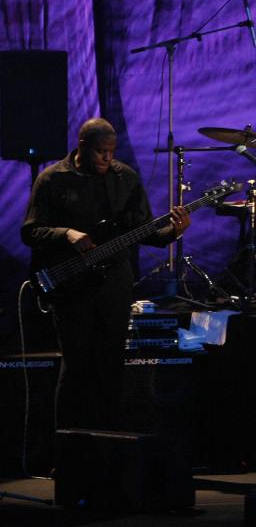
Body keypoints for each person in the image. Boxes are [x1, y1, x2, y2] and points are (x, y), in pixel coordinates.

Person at [21, 117, 190, 431]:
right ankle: (69, 452)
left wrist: (174, 232)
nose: (107, 158)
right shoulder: (52, 179)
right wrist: (66, 234)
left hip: (113, 284)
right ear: (82, 146)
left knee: (111, 365)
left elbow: (144, 232)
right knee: (77, 367)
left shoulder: (125, 178)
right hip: (70, 285)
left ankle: (108, 447)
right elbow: (31, 232)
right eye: (101, 151)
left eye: (111, 151)